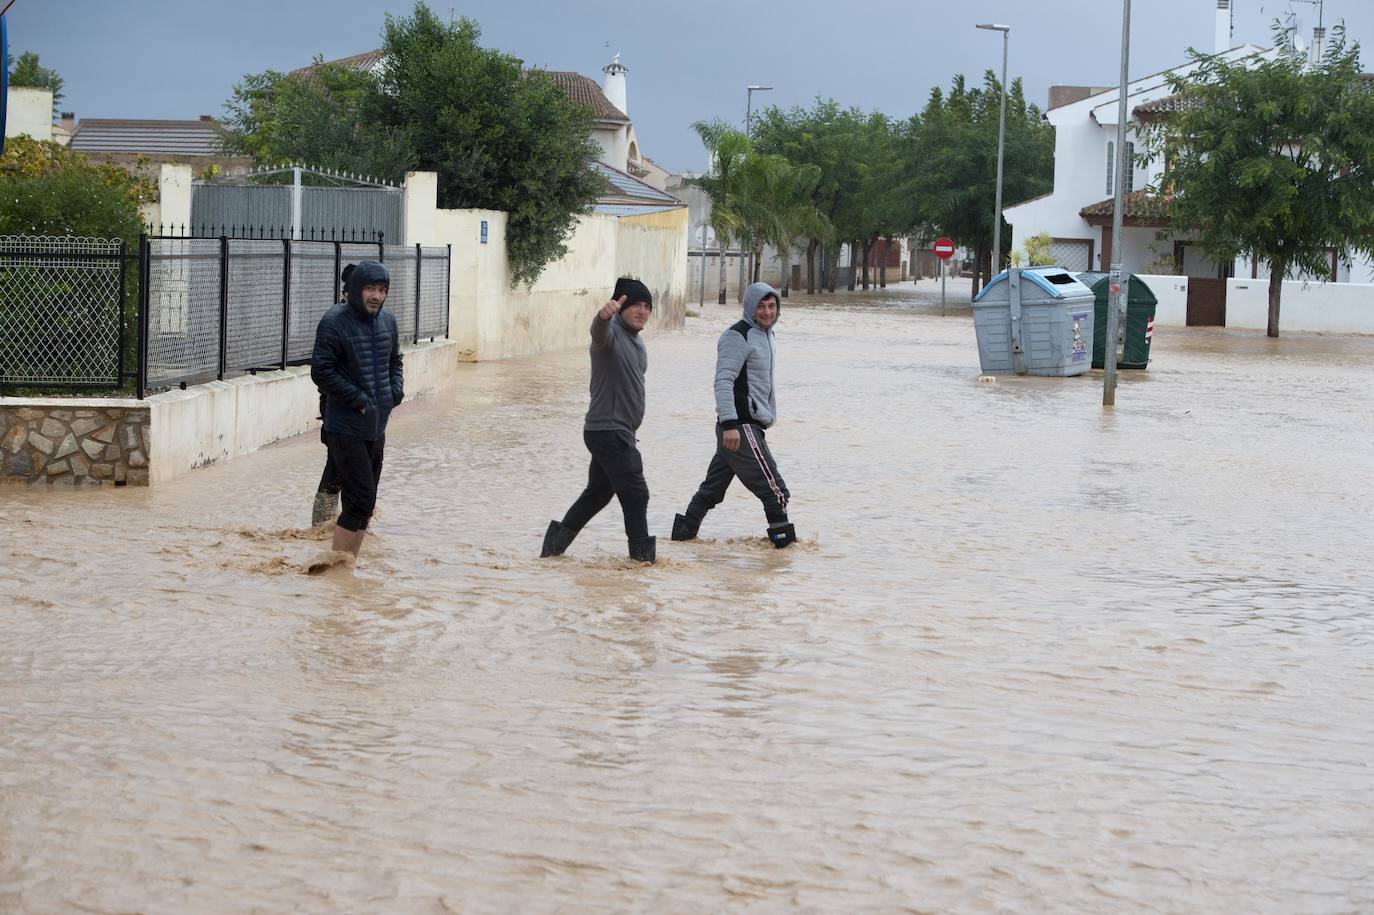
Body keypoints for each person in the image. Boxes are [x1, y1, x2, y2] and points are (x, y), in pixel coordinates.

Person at [672, 281, 796, 548]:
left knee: (712, 490)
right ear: (750, 307)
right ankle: (784, 555)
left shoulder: (768, 336)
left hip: (748, 427)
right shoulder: (737, 336)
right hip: (740, 427)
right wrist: (729, 423)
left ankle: (681, 540)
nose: (766, 312)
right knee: (776, 492)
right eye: (760, 306)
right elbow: (723, 381)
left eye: (771, 306)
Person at [542, 277, 656, 564]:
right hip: (609, 430)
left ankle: (552, 553)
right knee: (636, 493)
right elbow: (599, 332)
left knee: (597, 494)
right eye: (635, 305)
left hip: (617, 432)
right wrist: (602, 318)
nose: (642, 311)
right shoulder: (611, 334)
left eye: (647, 306)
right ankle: (642, 564)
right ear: (620, 307)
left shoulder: (638, 343)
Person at [310, 261, 403, 560]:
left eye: (381, 290)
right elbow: (321, 371)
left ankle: (346, 566)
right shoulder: (335, 321)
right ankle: (331, 559)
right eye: (369, 289)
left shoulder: (388, 321)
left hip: (376, 426)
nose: (376, 296)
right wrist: (359, 400)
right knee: (359, 498)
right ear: (354, 290)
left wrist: (394, 393)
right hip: (344, 425)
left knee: (365, 501)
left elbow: (394, 362)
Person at [310, 263, 354, 526]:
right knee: (337, 466)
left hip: (358, 414)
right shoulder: (335, 320)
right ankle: (323, 526)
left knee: (345, 468)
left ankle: (335, 526)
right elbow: (322, 372)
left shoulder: (368, 321)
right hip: (337, 409)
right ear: (348, 292)